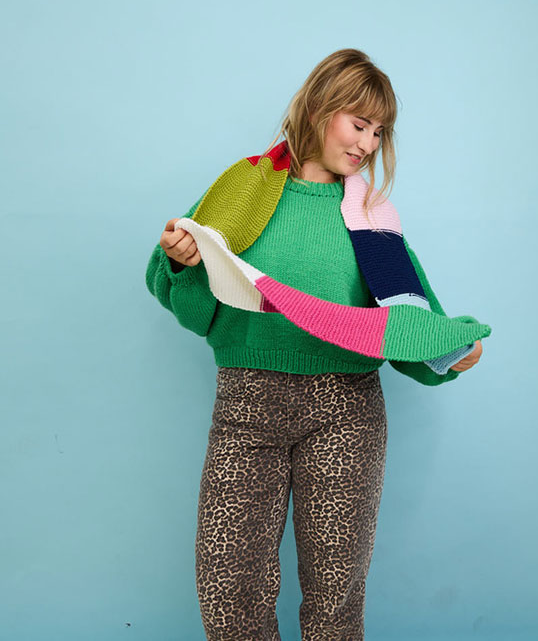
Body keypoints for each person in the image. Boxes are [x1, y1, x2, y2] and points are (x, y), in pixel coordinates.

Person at [145, 48, 483, 641]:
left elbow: (409, 322)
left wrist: (451, 354)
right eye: (360, 124)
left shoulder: (370, 217)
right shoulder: (242, 189)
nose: (368, 144)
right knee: (228, 587)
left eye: (379, 133)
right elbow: (188, 305)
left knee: (335, 596)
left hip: (346, 410)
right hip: (246, 405)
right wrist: (181, 262)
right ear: (320, 108)